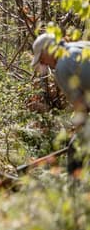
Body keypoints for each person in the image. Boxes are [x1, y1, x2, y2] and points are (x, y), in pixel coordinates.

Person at [32, 32, 90, 173]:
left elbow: (80, 107)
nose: (43, 63)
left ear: (48, 49)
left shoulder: (62, 67)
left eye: (42, 58)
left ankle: (75, 192)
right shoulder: (83, 46)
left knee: (75, 147)